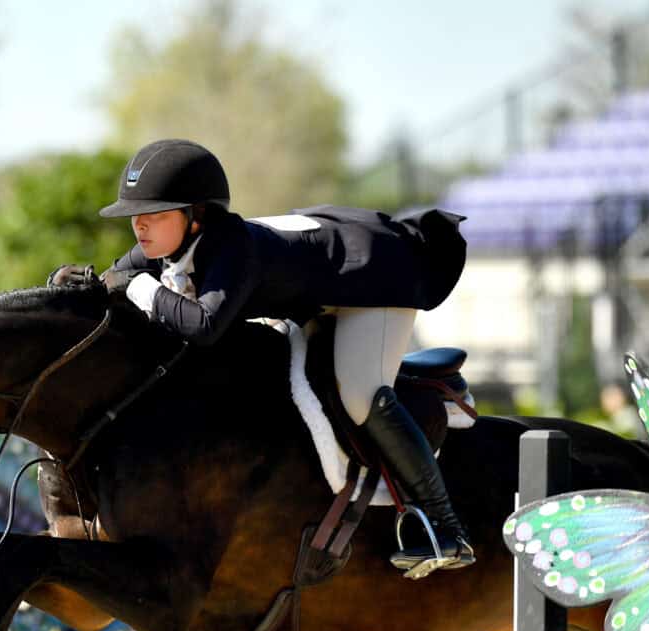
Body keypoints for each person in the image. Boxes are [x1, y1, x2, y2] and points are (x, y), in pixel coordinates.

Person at [64, 138, 474, 579]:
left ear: (196, 216)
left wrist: (141, 289)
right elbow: (117, 277)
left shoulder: (235, 249)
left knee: (358, 394)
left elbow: (202, 327)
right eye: (136, 219)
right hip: (317, 277)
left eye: (155, 216)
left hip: (376, 274)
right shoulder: (167, 240)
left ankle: (444, 528)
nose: (141, 229)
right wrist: (73, 282)